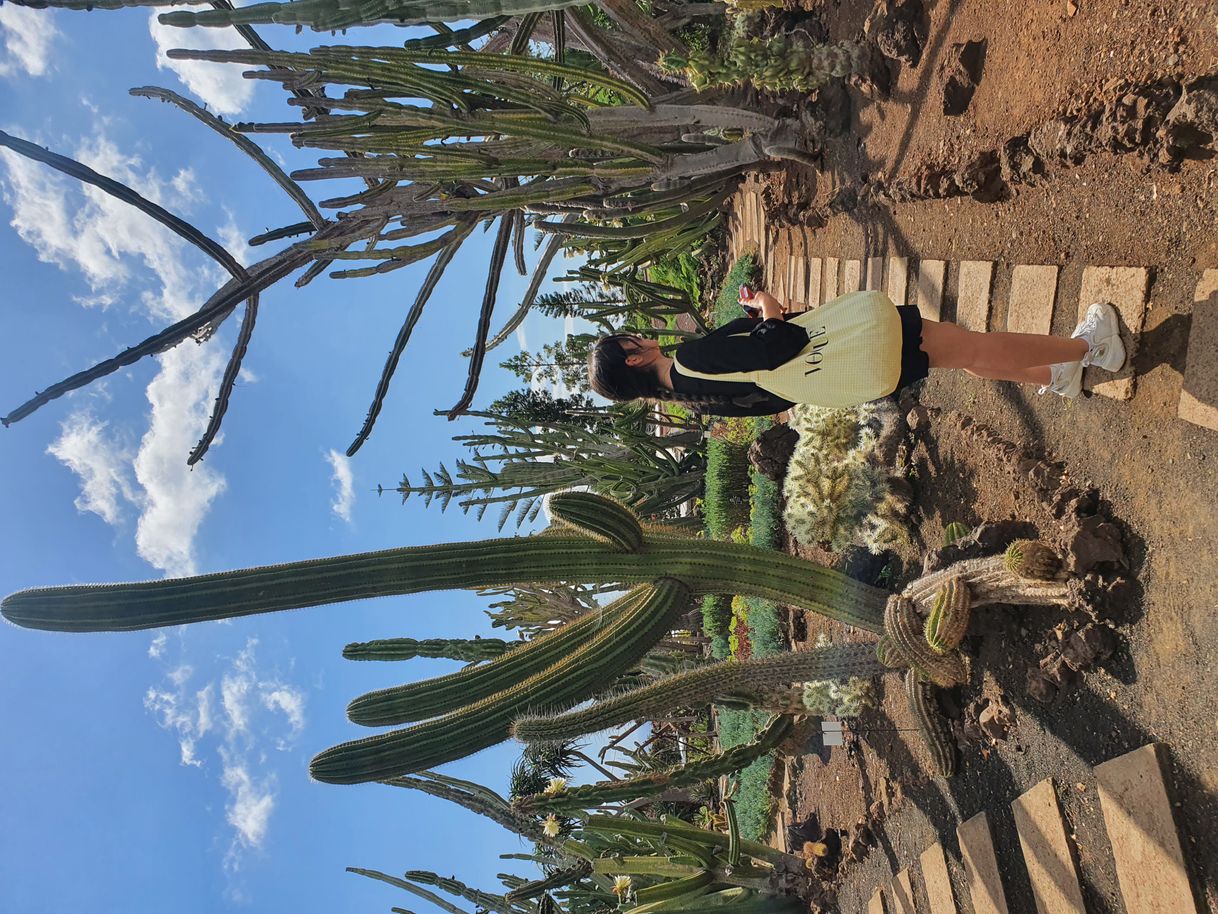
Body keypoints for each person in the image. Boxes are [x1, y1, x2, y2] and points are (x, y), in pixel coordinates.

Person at [586, 285, 1125, 416]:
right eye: (628, 341)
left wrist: (763, 323)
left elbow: (772, 396)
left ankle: (1055, 377)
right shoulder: (688, 361)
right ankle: (1090, 347)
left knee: (961, 358)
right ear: (633, 359)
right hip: (860, 339)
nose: (636, 335)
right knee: (975, 347)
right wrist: (771, 308)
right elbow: (780, 345)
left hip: (853, 370)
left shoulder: (692, 395)